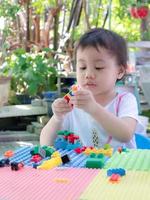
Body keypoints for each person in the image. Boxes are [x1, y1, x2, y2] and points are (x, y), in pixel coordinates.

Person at [40, 28, 144, 148]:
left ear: (119, 71)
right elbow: (45, 143)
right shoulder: (73, 100)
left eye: (98, 67)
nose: (88, 74)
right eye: (83, 67)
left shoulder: (125, 100)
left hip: (122, 165)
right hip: (83, 166)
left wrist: (93, 108)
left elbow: (126, 135)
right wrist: (57, 118)